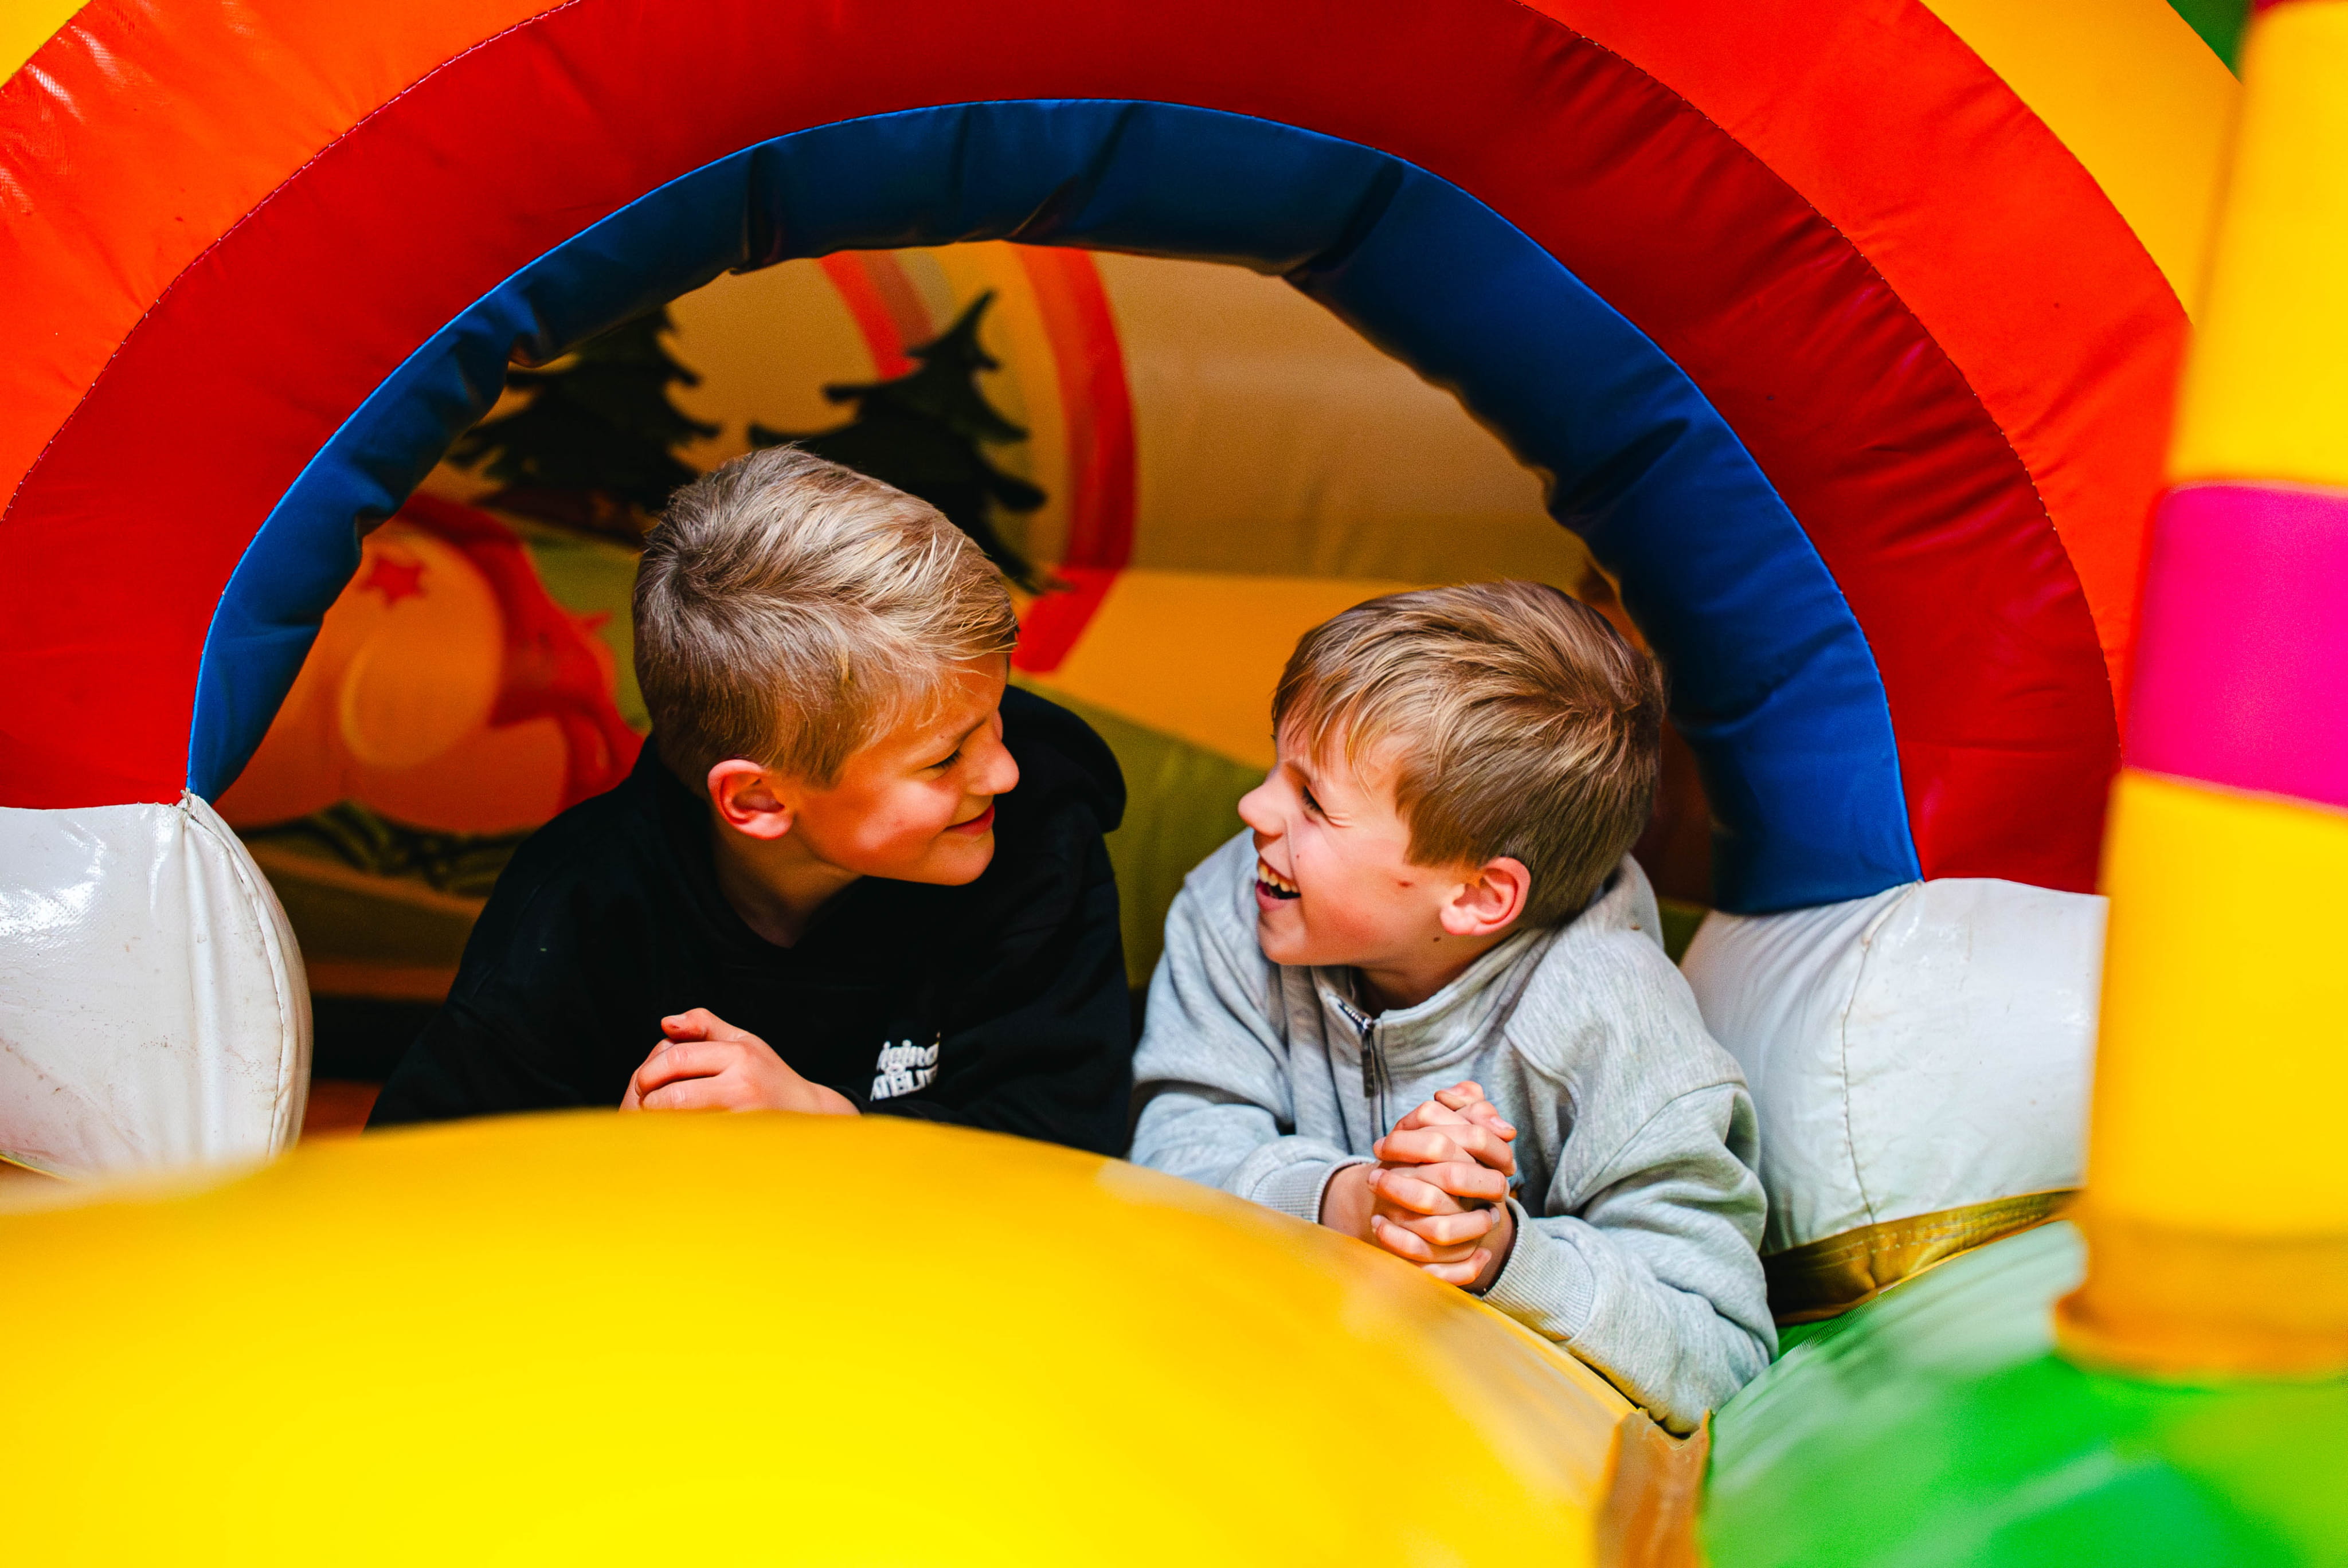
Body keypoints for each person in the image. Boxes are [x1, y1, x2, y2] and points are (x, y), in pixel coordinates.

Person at [1128, 582, 1772, 1432]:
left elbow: (1721, 1350)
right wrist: (1350, 1201)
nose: (1255, 809)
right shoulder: (1236, 903)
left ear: (1476, 896)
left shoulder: (1621, 1031)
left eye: (1313, 801)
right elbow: (1169, 1159)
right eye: (1276, 764)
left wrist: (1499, 1253)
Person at [369, 446, 1131, 1153]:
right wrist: (607, 1166)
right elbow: (422, 1181)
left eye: (995, 714)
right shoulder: (575, 909)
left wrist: (824, 1125)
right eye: (945, 758)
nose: (1004, 772)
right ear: (759, 799)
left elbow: (1067, 1144)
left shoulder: (1037, 832)